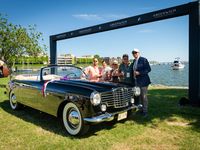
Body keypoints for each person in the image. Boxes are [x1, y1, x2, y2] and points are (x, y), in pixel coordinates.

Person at [131, 48, 151, 117]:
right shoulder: (134, 61)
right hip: (137, 82)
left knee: (144, 97)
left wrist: (139, 72)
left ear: (139, 53)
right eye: (133, 53)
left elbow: (148, 69)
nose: (134, 54)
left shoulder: (143, 59)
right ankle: (141, 110)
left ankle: (145, 111)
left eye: (136, 52)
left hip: (144, 81)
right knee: (139, 97)